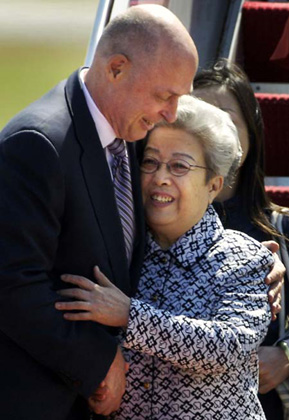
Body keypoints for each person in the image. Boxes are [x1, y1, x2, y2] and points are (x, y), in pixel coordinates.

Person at [0, 5, 198, 420]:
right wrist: (98, 365)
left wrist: (250, 253)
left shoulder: (133, 129)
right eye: (165, 95)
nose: (171, 113)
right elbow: (12, 286)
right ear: (116, 69)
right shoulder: (37, 144)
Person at [56, 94, 275, 419]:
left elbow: (230, 346)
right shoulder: (120, 251)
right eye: (150, 162)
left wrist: (130, 315)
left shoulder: (244, 258)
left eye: (179, 166)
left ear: (213, 184)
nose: (160, 177)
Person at [192, 58, 289, 419]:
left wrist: (286, 356)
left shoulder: (283, 228)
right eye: (199, 117)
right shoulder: (158, 224)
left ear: (252, 129)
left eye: (226, 118)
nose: (214, 131)